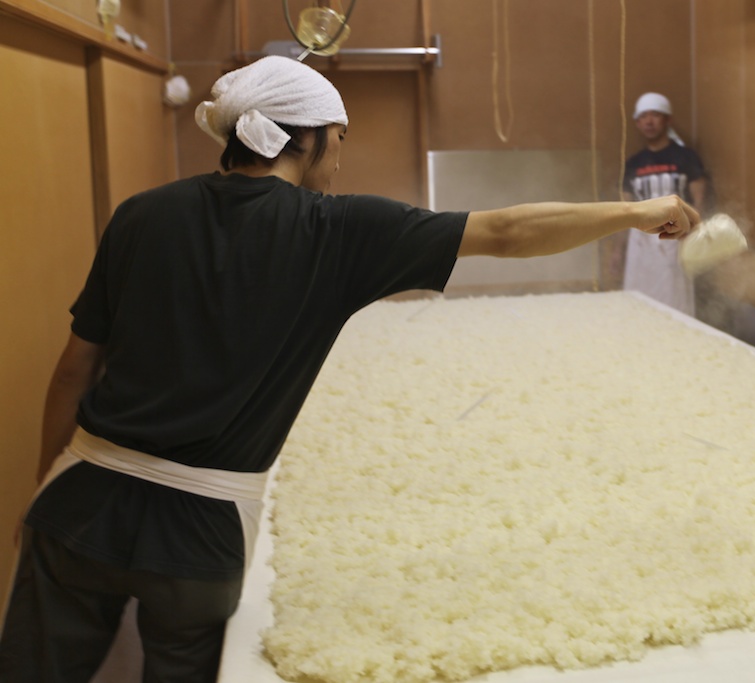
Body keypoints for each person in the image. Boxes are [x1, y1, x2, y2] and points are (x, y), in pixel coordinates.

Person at [0, 56, 699, 682]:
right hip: (198, 535)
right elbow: (508, 231)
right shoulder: (335, 229)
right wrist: (640, 211)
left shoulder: (141, 216)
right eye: (340, 138)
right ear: (304, 137)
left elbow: (74, 368)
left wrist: (44, 489)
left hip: (77, 505)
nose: (339, 157)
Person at [621, 92, 710, 315]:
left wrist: (694, 234)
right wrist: (617, 250)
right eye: (643, 116)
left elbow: (699, 199)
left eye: (655, 115)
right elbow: (623, 208)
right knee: (637, 301)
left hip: (675, 237)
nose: (649, 121)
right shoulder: (633, 163)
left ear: (667, 120)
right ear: (637, 123)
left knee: (674, 300)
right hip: (640, 242)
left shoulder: (685, 157)